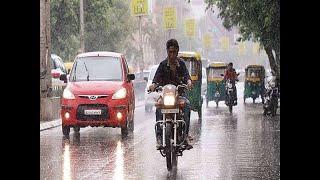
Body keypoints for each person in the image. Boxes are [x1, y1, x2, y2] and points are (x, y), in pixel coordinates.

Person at [149, 39, 193, 149]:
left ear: (177, 51)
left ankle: (186, 135)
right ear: (167, 51)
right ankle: (159, 137)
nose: (172, 54)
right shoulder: (163, 65)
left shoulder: (181, 64)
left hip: (178, 95)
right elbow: (156, 79)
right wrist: (153, 85)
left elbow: (187, 76)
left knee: (187, 105)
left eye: (174, 52)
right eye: (170, 52)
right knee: (158, 107)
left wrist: (188, 82)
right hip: (166, 96)